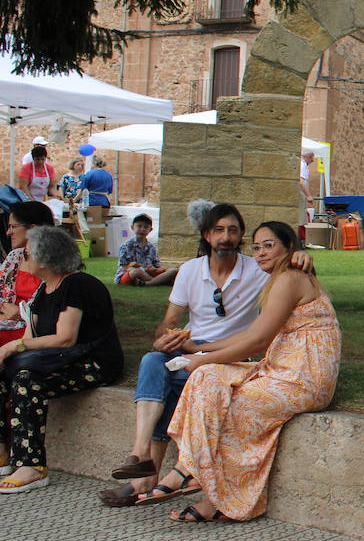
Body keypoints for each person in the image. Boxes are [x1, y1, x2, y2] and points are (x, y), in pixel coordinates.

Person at [101, 202, 314, 508]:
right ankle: (139, 454)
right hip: (191, 347)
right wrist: (164, 339)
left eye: (232, 230)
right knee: (153, 360)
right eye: (218, 230)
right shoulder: (189, 270)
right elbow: (168, 322)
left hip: (233, 355)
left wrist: (301, 254)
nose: (225, 237)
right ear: (205, 235)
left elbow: (288, 266)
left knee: (173, 380)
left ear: (240, 236)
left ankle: (144, 476)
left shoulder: (258, 268)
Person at [161, 222, 340, 522]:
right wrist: (198, 349)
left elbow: (257, 341)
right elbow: (254, 332)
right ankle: (190, 467)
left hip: (303, 377)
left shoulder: (290, 278)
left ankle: (225, 499)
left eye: (269, 245)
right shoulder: (281, 279)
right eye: (256, 247)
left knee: (237, 406)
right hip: (281, 369)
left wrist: (202, 358)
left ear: (289, 248)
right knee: (207, 378)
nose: (260, 253)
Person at [0, 227, 123, 493]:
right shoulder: (44, 289)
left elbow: (65, 338)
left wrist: (13, 345)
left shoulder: (77, 284)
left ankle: (31, 465)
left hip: (93, 362)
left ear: (47, 257)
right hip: (59, 360)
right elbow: (33, 338)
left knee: (27, 380)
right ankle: (2, 452)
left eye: (29, 254)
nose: (24, 258)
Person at [0, 202, 55, 347]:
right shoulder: (15, 256)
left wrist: (19, 313)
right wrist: (4, 306)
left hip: (32, 329)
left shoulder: (56, 262)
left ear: (33, 229)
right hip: (7, 320)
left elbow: (52, 309)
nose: (8, 232)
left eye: (13, 227)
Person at [114, 213, 176, 286]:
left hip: (148, 274)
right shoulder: (126, 246)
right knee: (136, 271)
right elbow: (124, 267)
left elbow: (157, 266)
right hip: (130, 275)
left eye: (146, 227)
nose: (142, 229)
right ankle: (159, 282)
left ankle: (147, 283)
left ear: (150, 230)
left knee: (174, 271)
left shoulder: (152, 247)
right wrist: (142, 269)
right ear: (132, 227)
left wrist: (153, 269)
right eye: (139, 226)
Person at [78, 156, 114, 222]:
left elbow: (81, 190)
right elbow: (109, 191)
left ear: (94, 163)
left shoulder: (89, 174)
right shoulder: (109, 175)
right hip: (104, 202)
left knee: (92, 223)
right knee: (102, 223)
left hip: (92, 201)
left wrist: (74, 200)